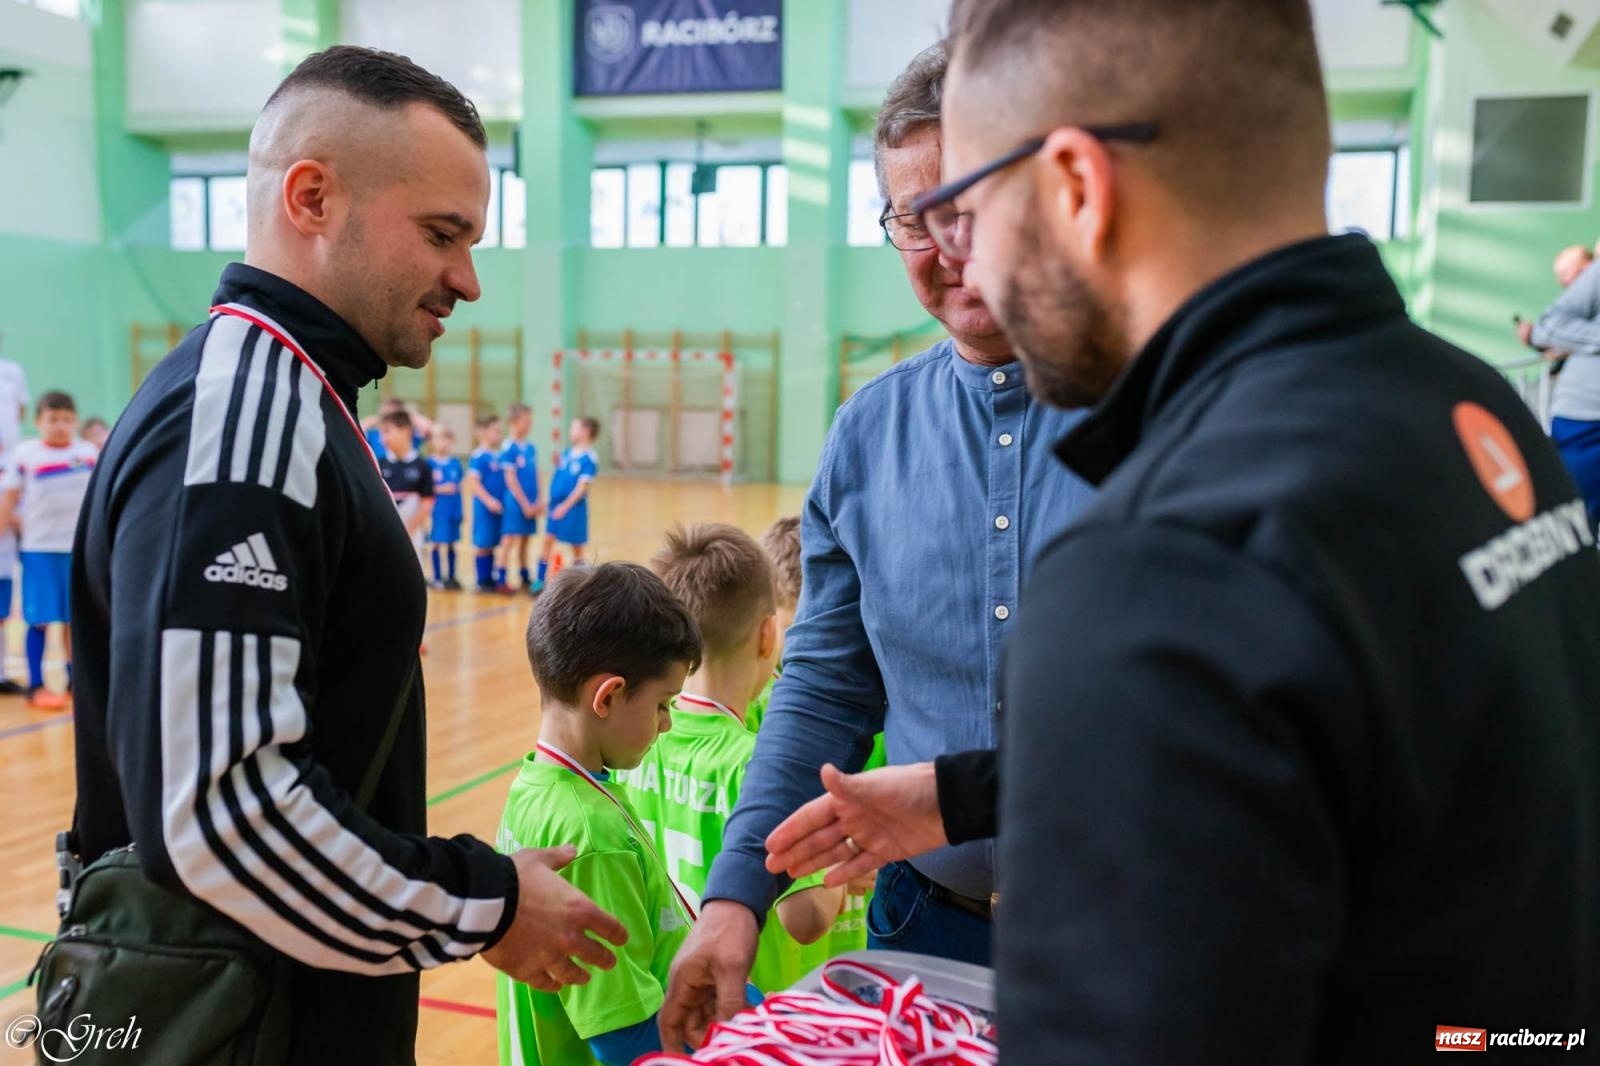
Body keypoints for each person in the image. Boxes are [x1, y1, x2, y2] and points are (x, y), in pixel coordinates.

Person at [768, 2, 1600, 1061]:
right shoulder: (1477, 409)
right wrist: (964, 794)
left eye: (974, 209)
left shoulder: (1162, 563)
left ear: (1075, 188)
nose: (966, 261)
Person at [70, 46, 628, 1064]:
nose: (467, 280)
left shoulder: (295, 400)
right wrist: (483, 904)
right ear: (313, 198)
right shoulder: (245, 416)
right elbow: (221, 813)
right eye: (442, 235)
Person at [661, 43, 1097, 1039]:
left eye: (975, 206)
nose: (950, 245)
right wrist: (736, 895)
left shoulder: (1165, 414)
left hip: (1133, 931)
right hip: (923, 928)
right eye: (915, 215)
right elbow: (824, 684)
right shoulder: (865, 435)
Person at [614, 524, 843, 995]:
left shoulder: (638, 741)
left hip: (670, 993)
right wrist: (843, 859)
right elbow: (807, 918)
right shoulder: (758, 765)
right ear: (768, 635)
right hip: (748, 1006)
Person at [496, 563, 703, 1066]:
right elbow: (624, 1039)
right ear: (607, 696)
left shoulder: (533, 787)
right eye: (662, 704)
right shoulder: (591, 834)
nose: (667, 723)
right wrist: (749, 1037)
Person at [0, 391, 95, 710]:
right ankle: (37, 684)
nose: (59, 425)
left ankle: (75, 680)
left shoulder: (87, 453)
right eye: (52, 419)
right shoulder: (26, 454)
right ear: (38, 421)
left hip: (78, 549)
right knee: (39, 619)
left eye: (66, 419)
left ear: (75, 421)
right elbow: (9, 499)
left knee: (74, 620)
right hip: (39, 550)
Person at [1520, 246, 1600, 531]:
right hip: (1587, 422)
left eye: (1571, 272)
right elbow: (1550, 324)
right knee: (1572, 524)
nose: (1566, 280)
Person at [538, 416, 600, 589]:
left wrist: (565, 507)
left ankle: (581, 584)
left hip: (573, 508)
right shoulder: (566, 454)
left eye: (574, 427)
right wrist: (549, 502)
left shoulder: (589, 458)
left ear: (585, 431)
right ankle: (539, 581)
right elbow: (557, 479)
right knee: (547, 540)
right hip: (555, 506)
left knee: (576, 547)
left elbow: (582, 487)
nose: (570, 431)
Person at [377, 408, 434, 562]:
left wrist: (408, 532)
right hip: (385, 535)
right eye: (381, 433)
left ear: (406, 431)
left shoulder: (422, 466)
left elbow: (427, 502)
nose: (383, 438)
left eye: (387, 431)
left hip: (413, 537)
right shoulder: (378, 464)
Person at [499, 402, 543, 591]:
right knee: (509, 538)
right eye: (526, 421)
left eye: (530, 421)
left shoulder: (530, 448)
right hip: (516, 502)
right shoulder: (508, 447)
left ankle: (524, 576)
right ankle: (501, 579)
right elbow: (510, 479)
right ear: (513, 421)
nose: (529, 425)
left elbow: (536, 473)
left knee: (526, 539)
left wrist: (538, 498)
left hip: (531, 501)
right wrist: (524, 503)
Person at [466, 412, 507, 592]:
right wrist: (488, 500)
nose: (499, 435)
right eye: (495, 431)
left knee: (492, 543)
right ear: (483, 432)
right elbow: (473, 482)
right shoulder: (478, 456)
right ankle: (482, 581)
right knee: (483, 544)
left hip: (499, 507)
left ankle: (490, 578)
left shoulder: (499, 456)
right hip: (485, 508)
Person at [426, 424, 464, 590]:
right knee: (436, 542)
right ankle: (436, 577)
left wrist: (460, 510)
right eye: (440, 439)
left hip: (453, 509)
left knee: (451, 542)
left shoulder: (455, 463)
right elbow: (425, 488)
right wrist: (442, 489)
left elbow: (459, 486)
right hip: (437, 510)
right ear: (433, 441)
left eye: (448, 439)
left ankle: (451, 576)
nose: (444, 443)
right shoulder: (429, 463)